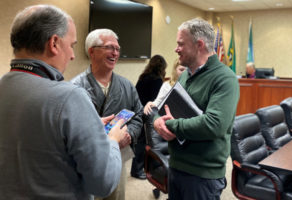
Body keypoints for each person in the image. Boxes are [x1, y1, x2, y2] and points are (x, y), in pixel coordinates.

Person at [0, 5, 127, 200]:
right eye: (72, 45)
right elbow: (103, 183)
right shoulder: (71, 97)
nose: (73, 55)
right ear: (54, 43)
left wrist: (88, 128)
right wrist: (112, 140)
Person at [153, 18, 240, 200]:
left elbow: (214, 124)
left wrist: (172, 126)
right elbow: (170, 108)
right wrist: (158, 122)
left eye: (180, 44)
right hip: (176, 166)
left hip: (202, 176)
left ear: (199, 45)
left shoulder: (225, 79)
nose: (176, 49)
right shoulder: (185, 75)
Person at [71, 29, 143, 200]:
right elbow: (69, 129)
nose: (115, 53)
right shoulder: (74, 87)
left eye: (117, 49)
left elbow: (138, 115)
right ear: (91, 51)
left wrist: (128, 134)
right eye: (109, 47)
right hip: (86, 163)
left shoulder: (126, 86)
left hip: (116, 157)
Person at [130, 54, 167, 179]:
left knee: (139, 142)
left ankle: (137, 168)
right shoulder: (157, 80)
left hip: (137, 111)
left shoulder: (143, 77)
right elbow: (155, 101)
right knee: (144, 144)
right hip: (146, 114)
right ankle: (137, 170)